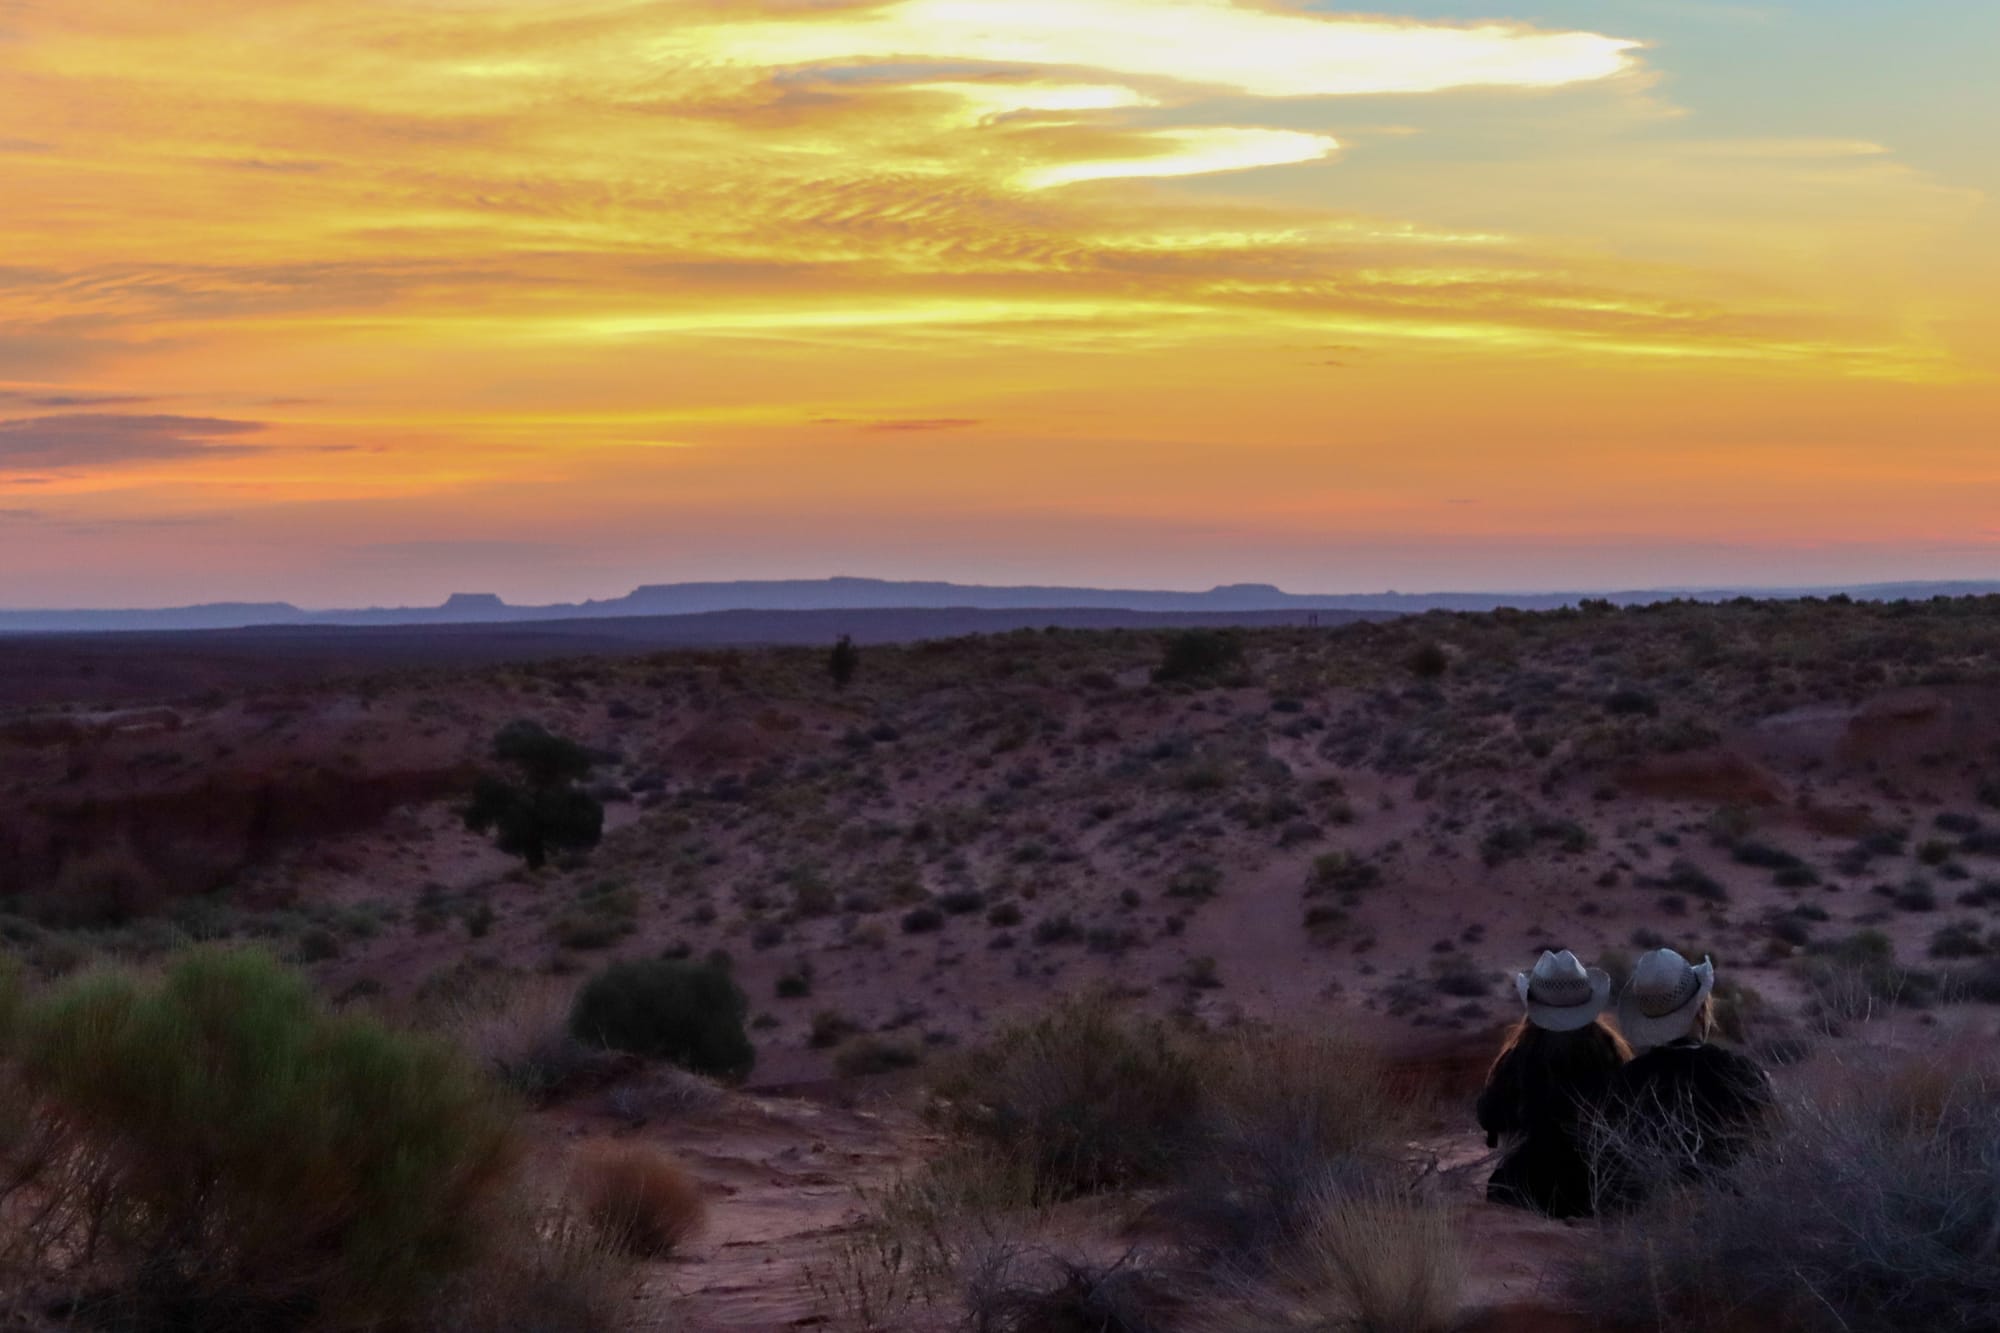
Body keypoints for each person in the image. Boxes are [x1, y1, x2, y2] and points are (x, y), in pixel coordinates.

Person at [1597, 948, 1774, 1208]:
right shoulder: (1737, 1071)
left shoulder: (1624, 1083)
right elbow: (1771, 1152)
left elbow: (1611, 1171)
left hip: (1646, 1215)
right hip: (1732, 1213)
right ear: (1701, 1009)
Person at [1477, 949, 1630, 1219]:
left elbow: (1490, 1114)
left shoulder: (1521, 1055)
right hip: (1598, 1186)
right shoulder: (1607, 1052)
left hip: (1527, 1185)